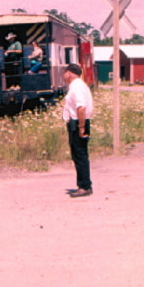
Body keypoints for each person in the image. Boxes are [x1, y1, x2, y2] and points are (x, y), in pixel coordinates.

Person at [62, 63, 93, 198]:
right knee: (79, 155)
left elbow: (81, 107)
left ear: (69, 73)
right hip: (78, 123)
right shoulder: (79, 85)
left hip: (78, 123)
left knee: (80, 155)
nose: (64, 76)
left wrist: (81, 127)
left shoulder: (77, 87)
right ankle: (83, 184)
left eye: (65, 73)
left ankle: (85, 186)